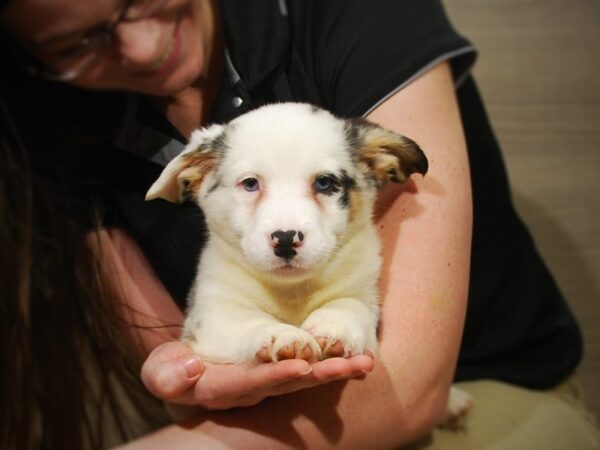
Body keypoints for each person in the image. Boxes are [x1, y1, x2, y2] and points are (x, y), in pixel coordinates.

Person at [0, 0, 598, 449]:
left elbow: (406, 392)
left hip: (486, 388)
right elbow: (183, 379)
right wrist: (185, 382)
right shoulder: (62, 130)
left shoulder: (348, 17)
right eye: (78, 42)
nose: (142, 46)